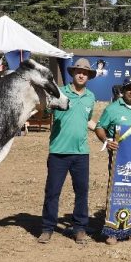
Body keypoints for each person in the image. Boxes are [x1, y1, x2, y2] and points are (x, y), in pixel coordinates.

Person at [38, 58, 96, 244]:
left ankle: (79, 228)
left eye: (85, 72)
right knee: (53, 192)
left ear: (88, 76)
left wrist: (107, 135)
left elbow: (86, 120)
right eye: (78, 71)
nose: (81, 74)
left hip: (81, 154)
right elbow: (45, 114)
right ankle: (47, 228)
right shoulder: (59, 93)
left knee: (82, 192)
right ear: (72, 73)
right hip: (58, 152)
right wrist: (46, 109)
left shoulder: (90, 97)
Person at [94, 76, 131, 245]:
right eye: (128, 88)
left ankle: (130, 228)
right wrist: (106, 141)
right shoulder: (112, 109)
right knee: (117, 191)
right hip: (118, 159)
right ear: (123, 90)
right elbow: (99, 127)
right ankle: (112, 231)